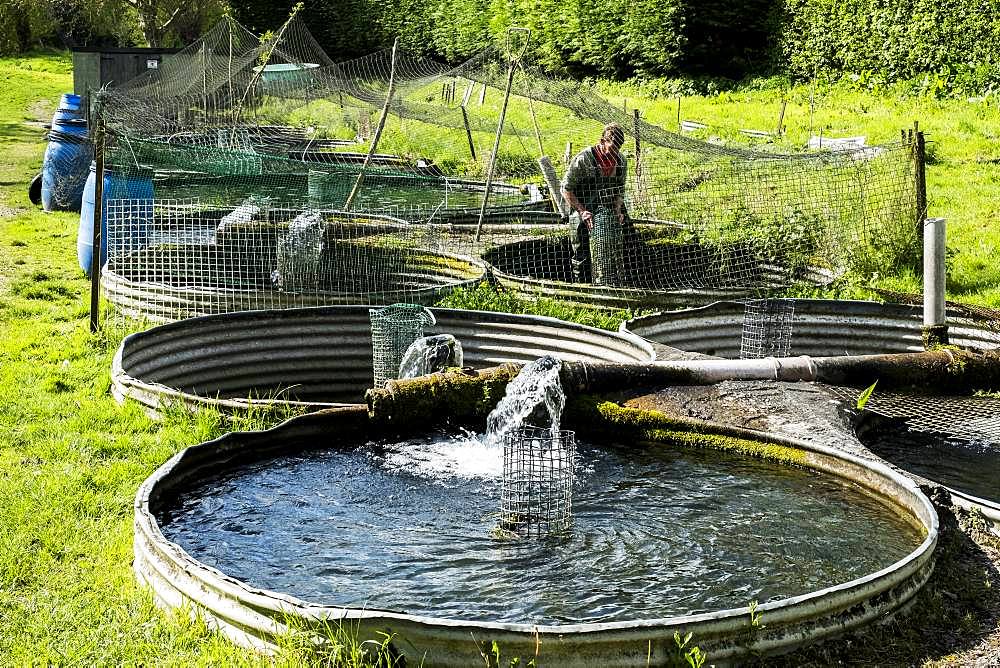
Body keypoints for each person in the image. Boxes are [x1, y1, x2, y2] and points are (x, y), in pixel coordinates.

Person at [560, 122, 632, 284]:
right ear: (602, 142)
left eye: (618, 148)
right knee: (581, 248)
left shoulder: (621, 162)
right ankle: (583, 288)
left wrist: (618, 209)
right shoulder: (584, 159)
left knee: (627, 238)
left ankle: (621, 282)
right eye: (612, 147)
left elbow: (620, 190)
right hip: (583, 204)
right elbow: (566, 189)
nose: (615, 153)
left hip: (609, 205)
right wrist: (582, 211)